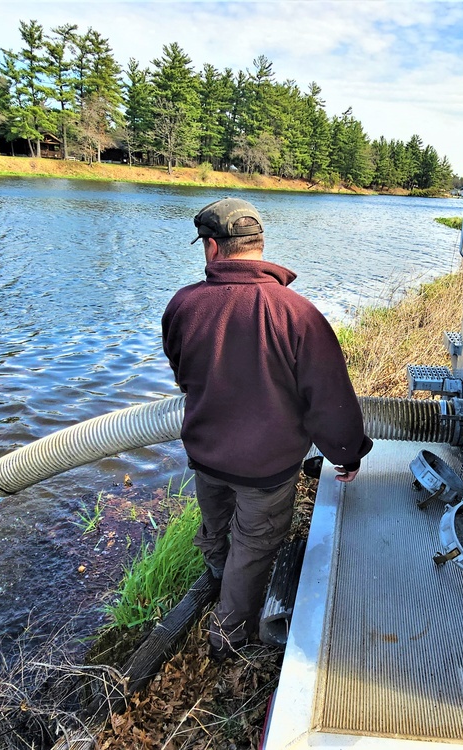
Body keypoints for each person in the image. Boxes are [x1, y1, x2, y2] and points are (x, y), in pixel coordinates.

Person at [161, 197, 372, 658]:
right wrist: (347, 452)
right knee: (253, 547)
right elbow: (329, 399)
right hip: (266, 468)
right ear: (259, 246)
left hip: (206, 455)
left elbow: (182, 373)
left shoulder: (183, 306)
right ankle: (229, 640)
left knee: (216, 527)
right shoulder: (296, 313)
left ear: (212, 248)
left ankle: (217, 580)